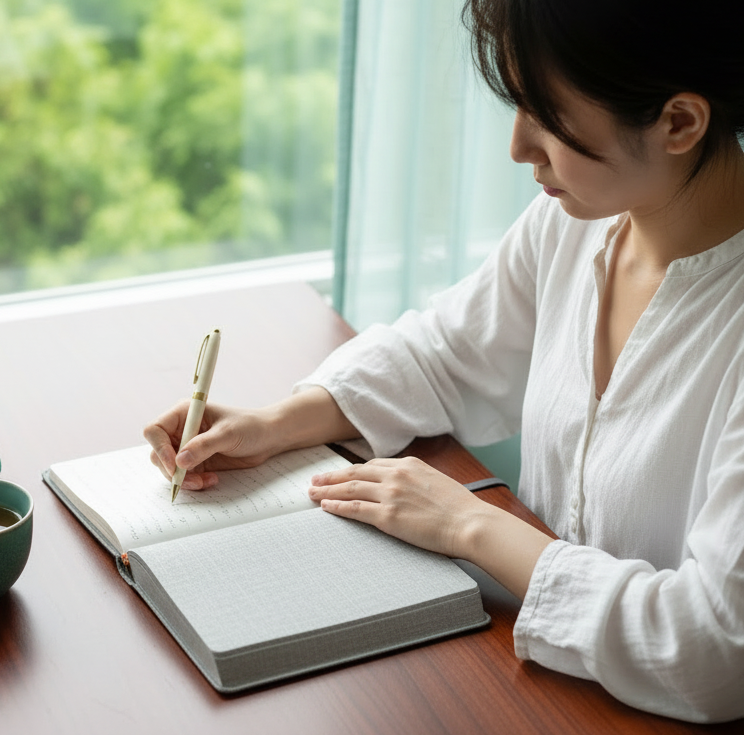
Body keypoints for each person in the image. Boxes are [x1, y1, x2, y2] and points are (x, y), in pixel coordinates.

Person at [143, 0, 744, 724]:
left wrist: (469, 525)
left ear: (680, 122)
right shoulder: (577, 223)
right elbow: (447, 351)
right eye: (517, 103)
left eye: (547, 115)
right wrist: (279, 422)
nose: (519, 146)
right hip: (539, 687)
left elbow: (715, 646)